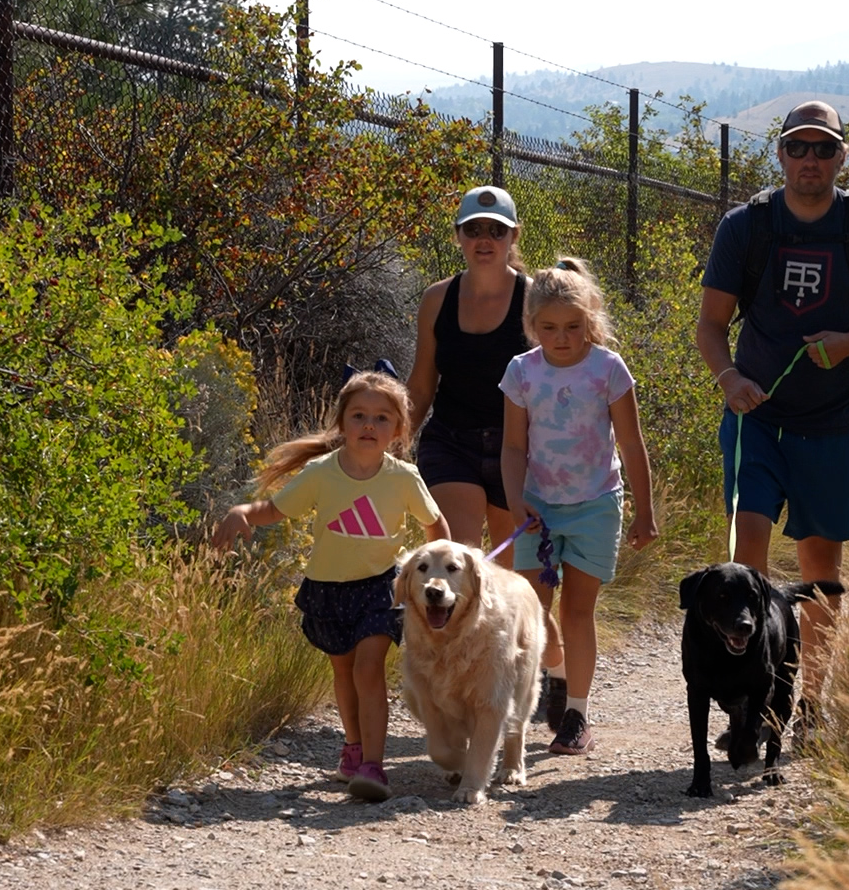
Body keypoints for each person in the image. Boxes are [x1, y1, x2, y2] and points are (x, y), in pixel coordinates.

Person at [694, 100, 849, 722]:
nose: (811, 159)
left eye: (824, 148)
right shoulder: (747, 227)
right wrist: (728, 377)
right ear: (781, 155)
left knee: (821, 568)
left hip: (834, 420)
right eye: (799, 147)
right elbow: (711, 326)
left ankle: (812, 699)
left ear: (842, 156)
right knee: (748, 562)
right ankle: (754, 699)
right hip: (756, 419)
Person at [213, 370, 449, 802]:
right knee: (343, 670)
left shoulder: (405, 477)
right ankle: (353, 746)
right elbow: (275, 509)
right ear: (342, 423)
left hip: (380, 588)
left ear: (398, 429)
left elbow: (436, 527)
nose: (368, 426)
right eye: (359, 415)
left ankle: (374, 768)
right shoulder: (322, 473)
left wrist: (441, 574)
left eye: (381, 418)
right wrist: (242, 511)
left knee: (368, 668)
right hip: (327, 590)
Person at [501, 258, 657, 755]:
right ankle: (546, 685)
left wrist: (644, 510)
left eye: (572, 326)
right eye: (549, 328)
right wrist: (514, 502)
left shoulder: (608, 368)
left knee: (577, 611)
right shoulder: (522, 372)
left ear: (589, 319)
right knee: (532, 612)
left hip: (595, 504)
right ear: (532, 326)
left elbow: (631, 444)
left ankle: (577, 715)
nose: (562, 338)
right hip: (537, 507)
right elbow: (512, 447)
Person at [406, 185, 528, 552]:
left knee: (511, 584)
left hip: (517, 449)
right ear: (458, 235)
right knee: (458, 561)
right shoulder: (436, 299)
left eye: (497, 230)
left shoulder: (536, 301)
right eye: (473, 230)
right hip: (451, 442)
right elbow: (422, 386)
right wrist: (388, 445)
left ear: (514, 236)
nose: (484, 240)